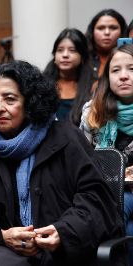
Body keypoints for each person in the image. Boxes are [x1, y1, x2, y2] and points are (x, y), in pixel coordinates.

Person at [0, 60, 120, 266]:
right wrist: (2, 234)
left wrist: (63, 232)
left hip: (64, 251)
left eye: (9, 99)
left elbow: (96, 200)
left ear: (30, 102)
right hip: (2, 250)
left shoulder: (65, 138)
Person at [80, 44, 133, 265]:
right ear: (106, 77)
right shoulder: (93, 112)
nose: (123, 76)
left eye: (131, 68)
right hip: (102, 190)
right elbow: (81, 162)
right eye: (115, 70)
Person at [43, 28, 94, 125]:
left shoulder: (93, 87)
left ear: (82, 57)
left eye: (72, 50)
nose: (65, 55)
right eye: (60, 50)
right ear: (54, 56)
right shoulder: (42, 85)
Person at [85, 9, 127, 83]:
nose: (107, 32)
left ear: (122, 31)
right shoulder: (82, 58)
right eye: (101, 28)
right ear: (92, 32)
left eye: (113, 28)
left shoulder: (131, 57)